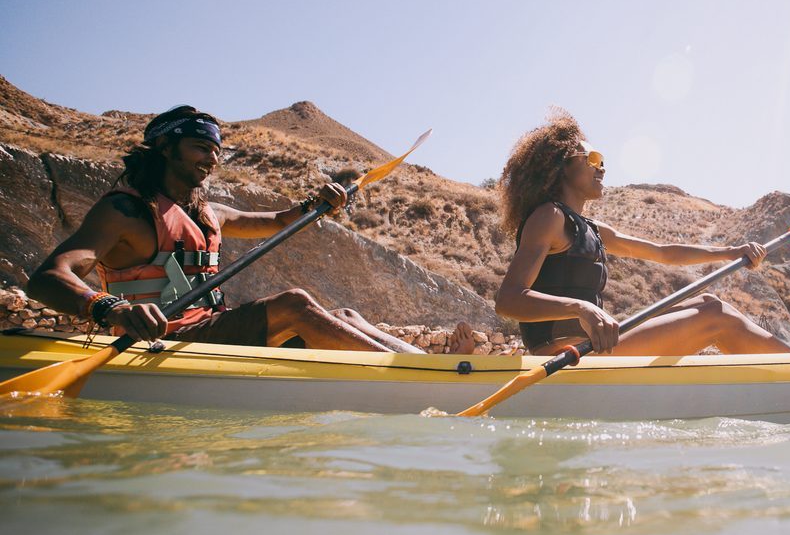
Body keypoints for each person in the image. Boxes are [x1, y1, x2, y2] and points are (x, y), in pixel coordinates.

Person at [27, 105, 474, 354]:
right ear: (164, 147)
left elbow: (283, 221)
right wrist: (111, 309)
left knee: (346, 318)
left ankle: (424, 366)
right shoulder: (125, 212)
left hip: (212, 329)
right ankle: (415, 379)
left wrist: (321, 203)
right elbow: (48, 277)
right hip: (164, 340)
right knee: (293, 302)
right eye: (201, 147)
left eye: (217, 150)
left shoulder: (211, 213)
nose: (212, 159)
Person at [494, 109, 790, 356]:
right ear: (562, 165)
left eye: (604, 163)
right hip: (568, 355)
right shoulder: (549, 217)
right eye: (593, 159)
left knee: (707, 303)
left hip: (593, 349)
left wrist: (733, 252)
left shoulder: (594, 230)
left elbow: (663, 253)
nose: (602, 169)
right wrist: (581, 308)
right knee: (716, 316)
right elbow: (508, 299)